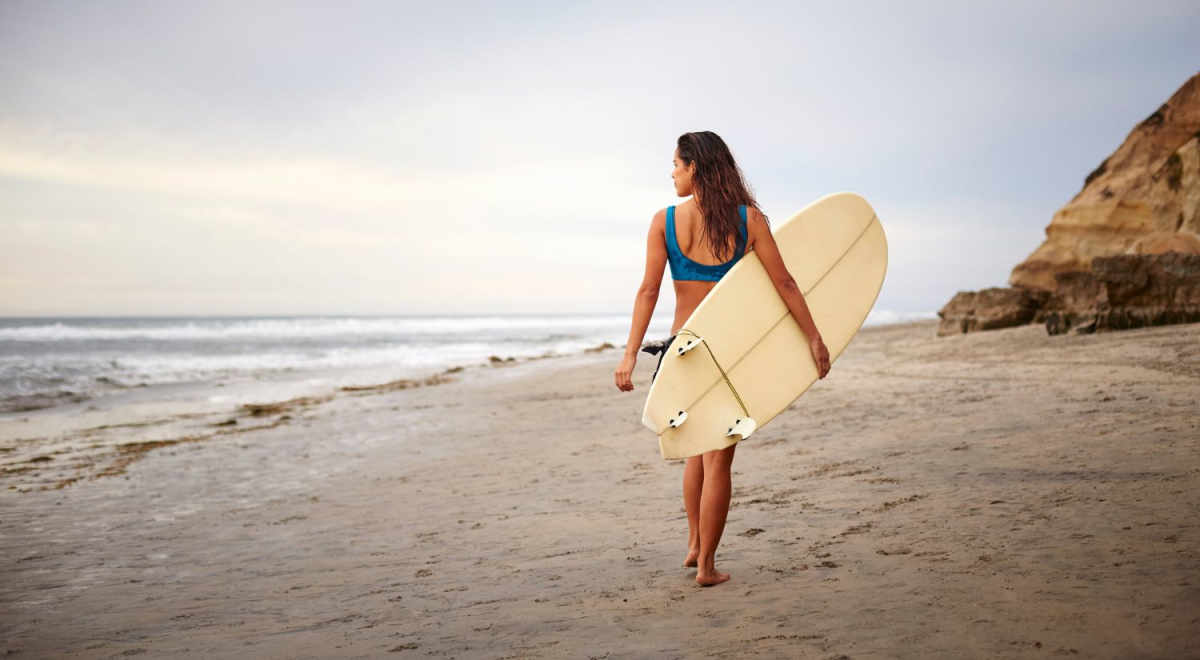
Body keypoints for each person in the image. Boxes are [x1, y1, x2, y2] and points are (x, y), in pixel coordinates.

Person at [614, 131, 830, 587]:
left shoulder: (664, 222)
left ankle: (695, 545)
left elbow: (648, 292)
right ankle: (707, 566)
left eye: (676, 163)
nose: (672, 172)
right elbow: (784, 283)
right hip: (727, 351)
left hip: (683, 352)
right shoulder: (747, 221)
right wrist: (814, 338)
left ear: (695, 167)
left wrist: (631, 355)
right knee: (718, 460)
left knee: (695, 448)